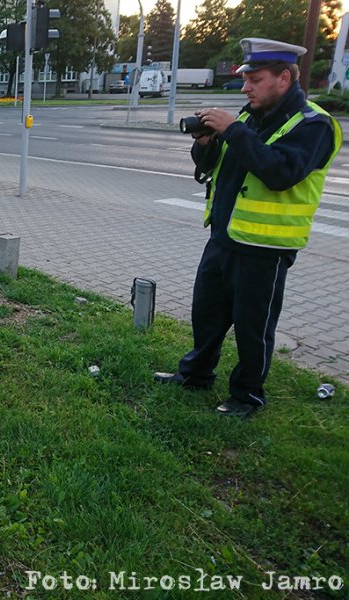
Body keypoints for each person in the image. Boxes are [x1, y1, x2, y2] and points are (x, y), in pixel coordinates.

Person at [153, 38, 343, 418]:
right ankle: (195, 375)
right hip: (223, 236)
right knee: (206, 314)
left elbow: (280, 172)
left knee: (253, 328)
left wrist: (233, 130)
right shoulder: (249, 116)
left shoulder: (314, 125)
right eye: (245, 79)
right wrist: (206, 142)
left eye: (254, 79)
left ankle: (246, 396)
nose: (245, 87)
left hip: (265, 247)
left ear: (284, 78)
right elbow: (216, 166)